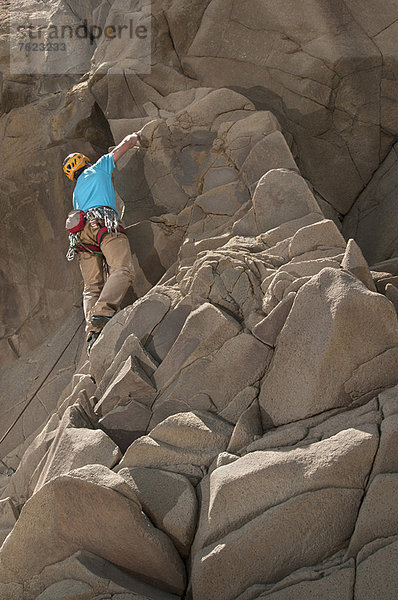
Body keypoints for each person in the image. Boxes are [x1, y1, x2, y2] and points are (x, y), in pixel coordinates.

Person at [63, 132, 142, 354]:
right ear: (85, 162)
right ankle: (102, 312)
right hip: (103, 223)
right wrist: (137, 136)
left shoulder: (77, 191)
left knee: (91, 286)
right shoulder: (98, 167)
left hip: (81, 235)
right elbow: (125, 145)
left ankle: (92, 332)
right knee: (122, 269)